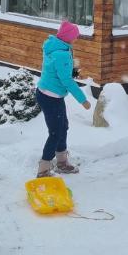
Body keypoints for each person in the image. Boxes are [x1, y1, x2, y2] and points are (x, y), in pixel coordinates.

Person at [35, 20, 90, 177]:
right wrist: (83, 100)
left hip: (47, 94)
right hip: (51, 97)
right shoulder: (62, 54)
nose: (76, 39)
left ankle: (61, 162)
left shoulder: (53, 46)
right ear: (68, 37)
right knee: (56, 132)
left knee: (62, 127)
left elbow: (55, 70)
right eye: (75, 37)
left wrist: (69, 71)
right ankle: (44, 169)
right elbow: (66, 81)